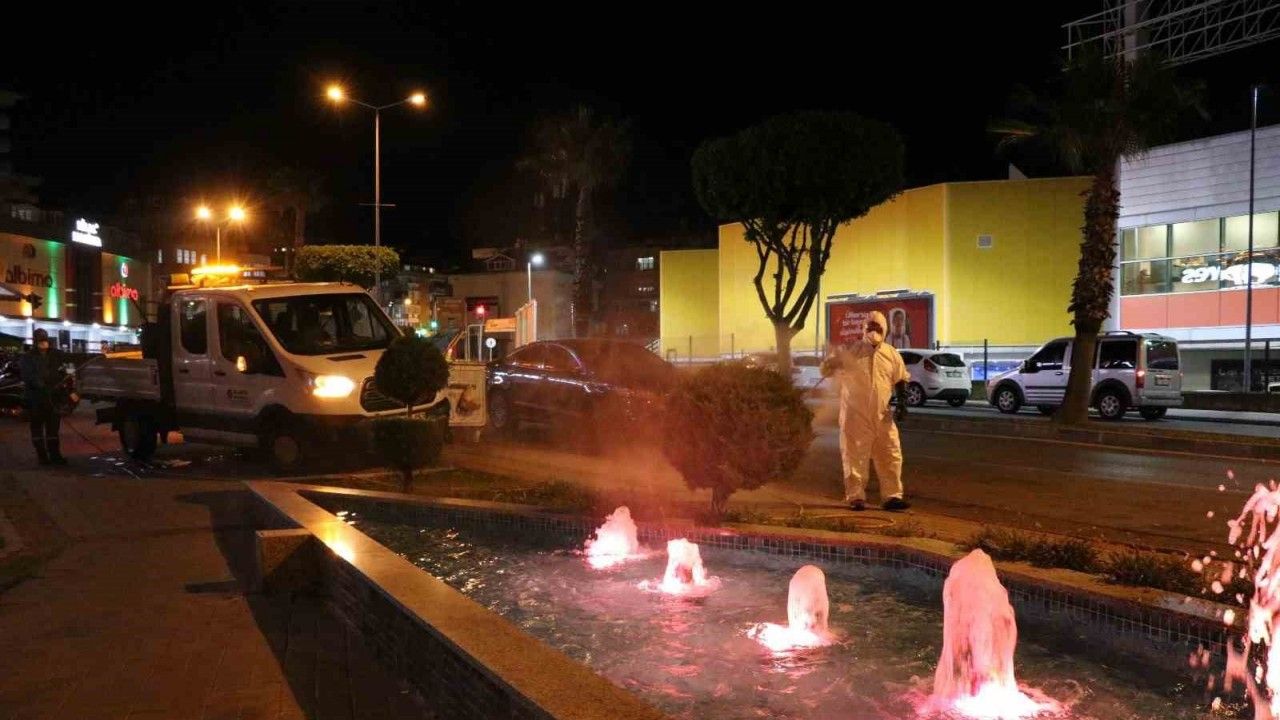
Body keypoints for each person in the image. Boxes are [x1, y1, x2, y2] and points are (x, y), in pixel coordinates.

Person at [821, 310, 911, 512]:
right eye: (869, 327)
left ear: (885, 329)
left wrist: (902, 403)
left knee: (890, 454)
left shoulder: (891, 354)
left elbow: (901, 379)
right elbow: (826, 370)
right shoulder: (850, 351)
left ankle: (892, 497)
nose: (873, 331)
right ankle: (856, 497)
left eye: (877, 327)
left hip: (882, 415)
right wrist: (831, 363)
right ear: (863, 329)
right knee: (854, 456)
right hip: (855, 415)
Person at [20, 328, 75, 466]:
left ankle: (55, 456)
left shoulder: (57, 354)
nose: (43, 343)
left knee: (53, 430)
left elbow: (68, 368)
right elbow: (28, 376)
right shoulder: (28, 357)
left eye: (44, 340)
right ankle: (42, 456)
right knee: (37, 429)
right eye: (40, 340)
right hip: (36, 399)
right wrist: (41, 386)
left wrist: (67, 380)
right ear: (35, 341)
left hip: (53, 399)